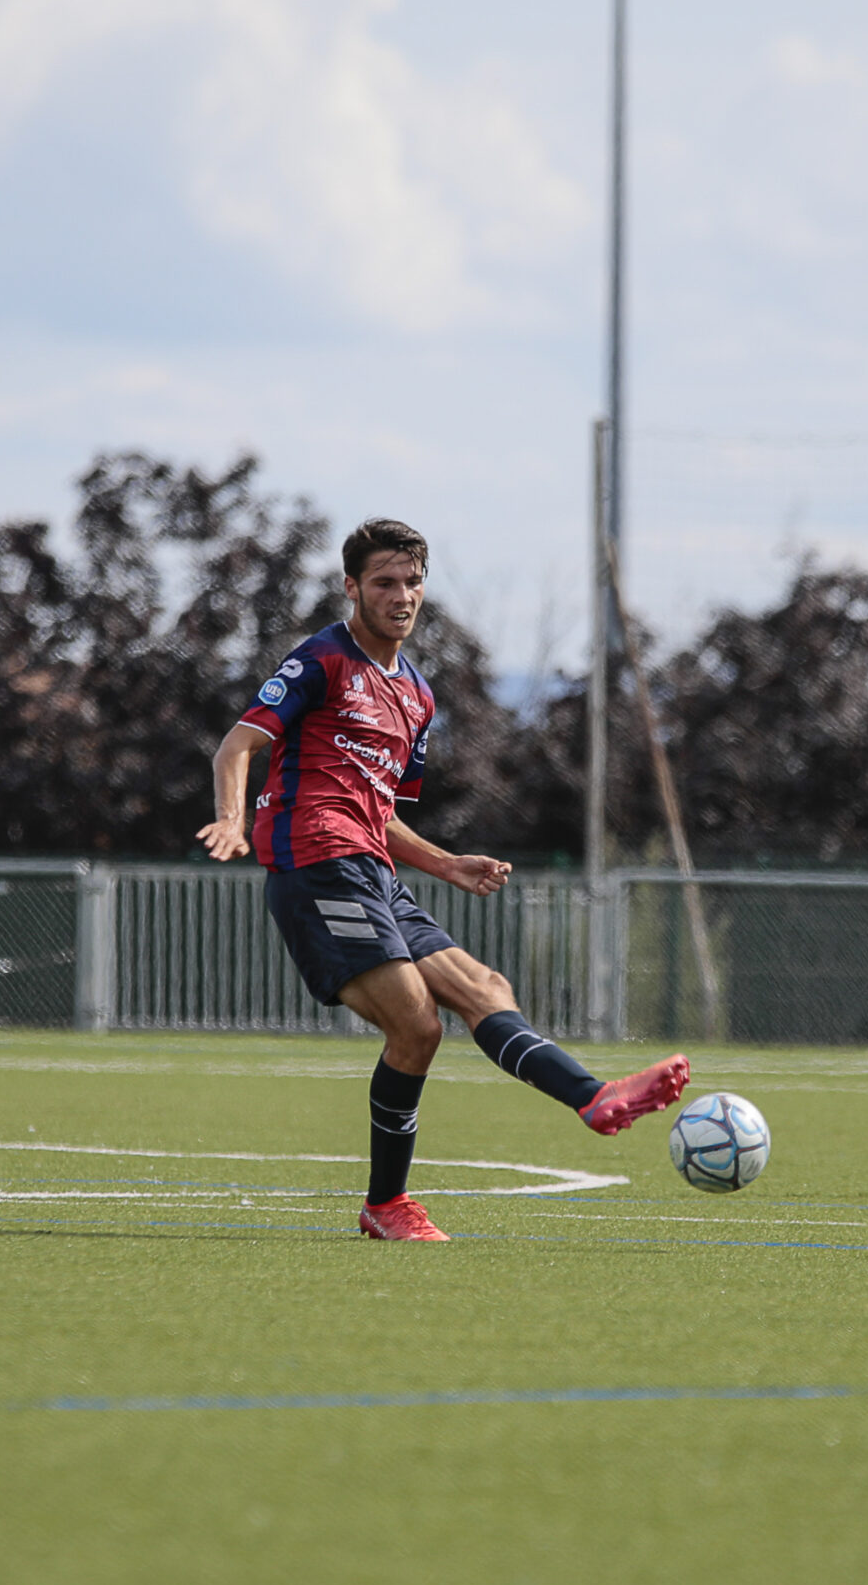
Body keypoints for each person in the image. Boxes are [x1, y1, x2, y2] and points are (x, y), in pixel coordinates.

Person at [197, 517, 688, 1241]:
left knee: (485, 989)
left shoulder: (417, 698)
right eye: (384, 582)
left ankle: (593, 1096)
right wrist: (233, 819)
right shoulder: (321, 660)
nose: (401, 595)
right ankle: (387, 1203)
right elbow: (238, 745)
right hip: (314, 864)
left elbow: (379, 810)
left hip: (370, 867)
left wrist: (445, 863)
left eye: (412, 582)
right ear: (352, 588)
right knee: (416, 1022)